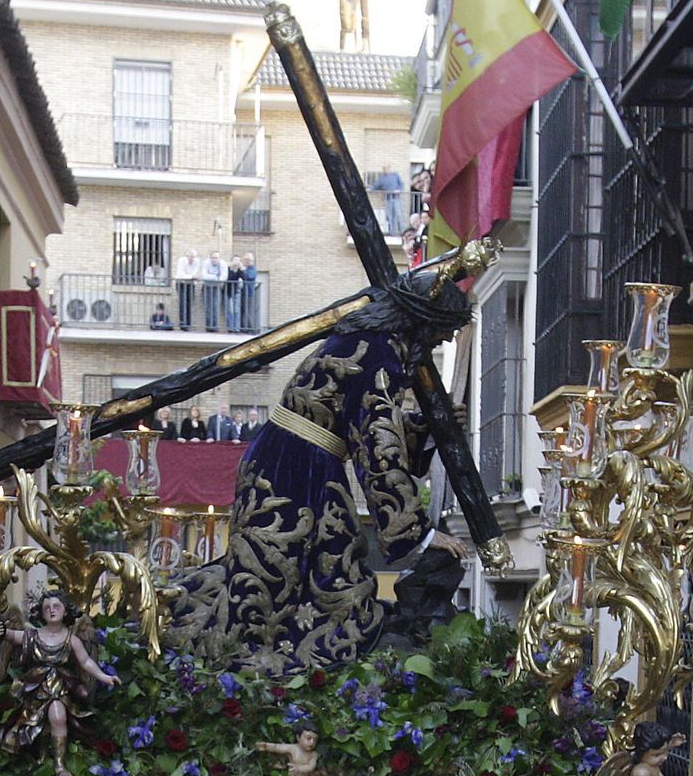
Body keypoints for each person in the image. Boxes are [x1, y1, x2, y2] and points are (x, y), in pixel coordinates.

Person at [166, 269, 475, 674]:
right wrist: (420, 533)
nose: (447, 339)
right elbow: (378, 444)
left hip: (293, 458)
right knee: (286, 579)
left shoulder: (364, 340)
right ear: (423, 319)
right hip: (296, 470)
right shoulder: (380, 350)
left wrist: (426, 426)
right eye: (443, 330)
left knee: (305, 571)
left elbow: (362, 422)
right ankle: (242, 661)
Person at [0, 591, 121, 776]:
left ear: (65, 610)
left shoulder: (71, 639)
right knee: (31, 725)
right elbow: (10, 635)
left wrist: (105, 677)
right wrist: (0, 630)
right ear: (41, 614)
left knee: (58, 717)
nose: (52, 610)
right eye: (47, 608)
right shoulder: (32, 635)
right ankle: (36, 760)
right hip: (34, 688)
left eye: (56, 606)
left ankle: (60, 765)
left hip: (60, 688)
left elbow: (85, 661)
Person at [173, 249, 200, 331]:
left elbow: (195, 273)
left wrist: (190, 277)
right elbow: (181, 274)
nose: (191, 258)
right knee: (182, 302)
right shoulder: (182, 260)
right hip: (181, 283)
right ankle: (182, 323)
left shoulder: (196, 261)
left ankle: (188, 323)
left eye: (193, 257)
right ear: (186, 256)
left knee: (189, 303)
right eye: (190, 256)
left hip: (190, 284)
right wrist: (191, 277)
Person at [375, 164, 406, 236]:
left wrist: (398, 190)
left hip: (396, 198)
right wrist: (370, 188)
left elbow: (401, 185)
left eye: (386, 168)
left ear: (389, 168)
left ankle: (402, 231)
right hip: (388, 199)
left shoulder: (395, 175)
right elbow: (375, 185)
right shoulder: (382, 178)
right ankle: (392, 232)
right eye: (383, 169)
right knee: (390, 216)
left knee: (398, 215)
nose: (385, 170)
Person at [200, 251, 226, 332]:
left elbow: (224, 277)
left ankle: (215, 327)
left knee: (215, 307)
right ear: (210, 258)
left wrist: (211, 277)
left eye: (217, 258)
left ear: (219, 258)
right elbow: (204, 276)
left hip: (217, 288)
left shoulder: (222, 264)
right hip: (207, 287)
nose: (215, 259)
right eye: (213, 257)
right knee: (208, 307)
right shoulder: (206, 263)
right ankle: (208, 327)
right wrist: (216, 277)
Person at [240, 253, 260, 332]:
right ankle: (243, 327)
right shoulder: (245, 268)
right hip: (242, 292)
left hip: (249, 293)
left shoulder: (252, 269)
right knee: (242, 310)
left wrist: (243, 270)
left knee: (248, 311)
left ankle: (250, 328)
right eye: (245, 259)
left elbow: (249, 277)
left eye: (248, 260)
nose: (246, 261)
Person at [225, 256, 245, 332]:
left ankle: (236, 328)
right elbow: (229, 278)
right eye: (235, 260)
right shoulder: (228, 269)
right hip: (228, 292)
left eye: (238, 260)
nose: (236, 262)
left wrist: (242, 269)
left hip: (236, 292)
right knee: (229, 310)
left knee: (236, 310)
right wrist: (233, 270)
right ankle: (230, 328)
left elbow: (244, 278)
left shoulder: (240, 271)